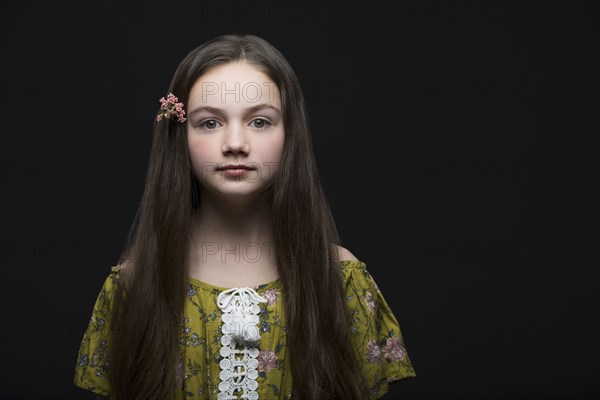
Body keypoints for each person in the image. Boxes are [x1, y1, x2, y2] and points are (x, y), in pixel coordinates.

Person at [72, 33, 416, 400]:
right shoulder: (132, 288)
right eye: (210, 123)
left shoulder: (339, 281)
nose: (235, 143)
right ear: (180, 134)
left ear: (290, 133)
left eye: (259, 122)